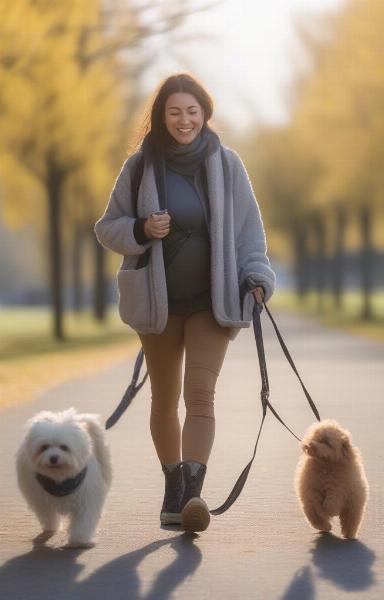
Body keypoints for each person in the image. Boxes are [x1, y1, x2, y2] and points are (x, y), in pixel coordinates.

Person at [94, 73, 275, 533]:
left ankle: (192, 495)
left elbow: (249, 232)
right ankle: (173, 484)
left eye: (192, 112)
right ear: (160, 116)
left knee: (200, 395)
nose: (184, 120)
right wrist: (140, 229)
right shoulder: (139, 166)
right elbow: (107, 226)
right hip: (159, 304)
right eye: (174, 112)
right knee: (163, 399)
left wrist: (256, 276)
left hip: (212, 303)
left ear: (204, 114)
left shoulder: (227, 164)